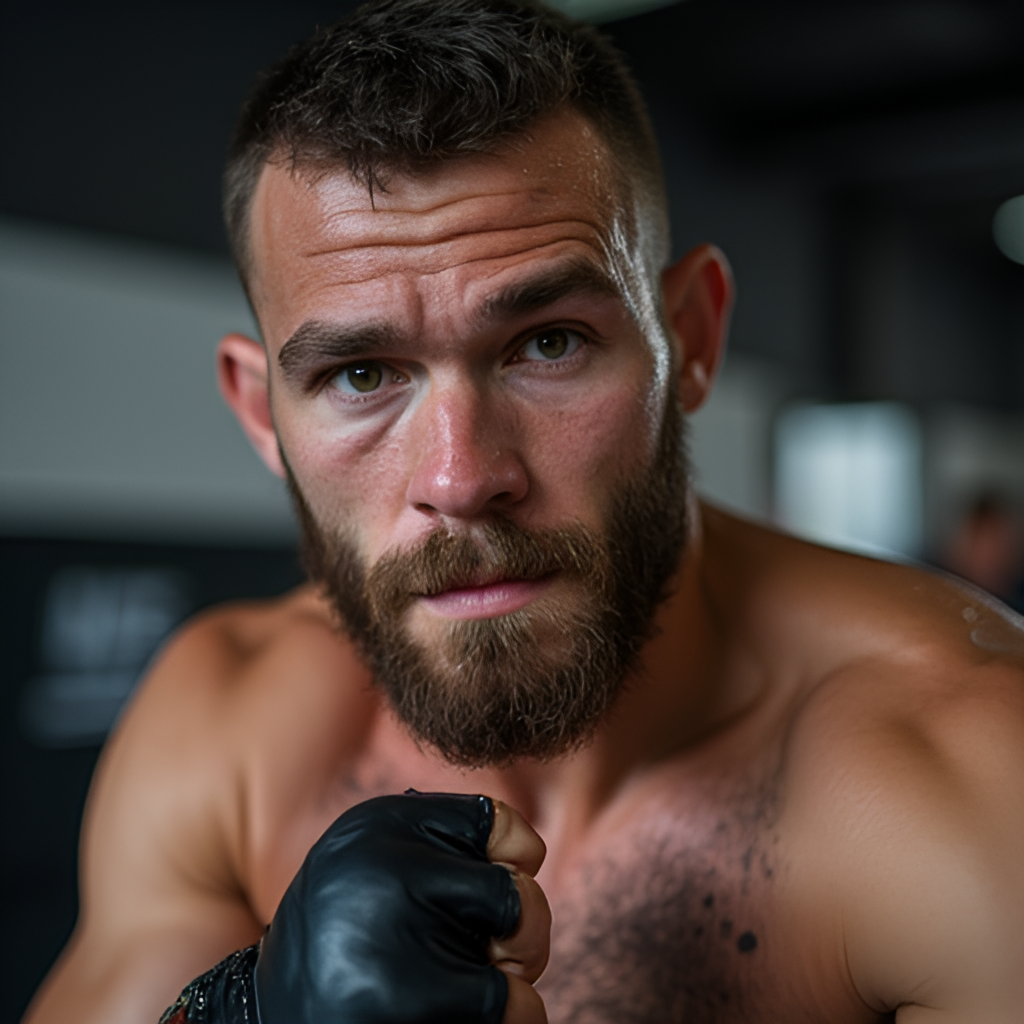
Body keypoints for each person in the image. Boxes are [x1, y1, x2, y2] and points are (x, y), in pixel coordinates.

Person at [24, 1, 1024, 1021]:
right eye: (362, 372)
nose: (461, 478)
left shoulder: (968, 765)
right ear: (260, 412)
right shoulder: (227, 728)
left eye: (547, 343)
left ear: (690, 338)